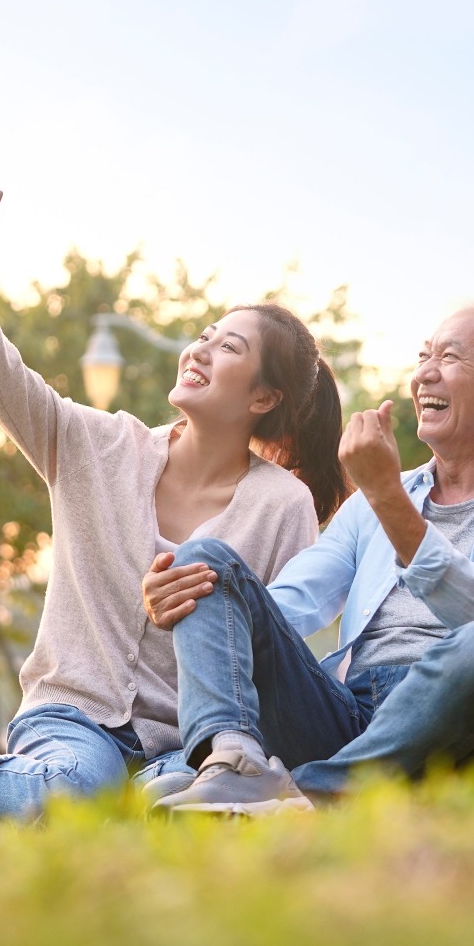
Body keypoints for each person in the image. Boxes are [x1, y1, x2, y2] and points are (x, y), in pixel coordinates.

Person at [0, 187, 350, 825]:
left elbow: (275, 650)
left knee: (174, 802)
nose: (199, 350)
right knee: (70, 792)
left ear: (263, 399)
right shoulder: (93, 445)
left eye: (229, 348)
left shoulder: (282, 505)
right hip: (74, 717)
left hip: (187, 743)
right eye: (205, 336)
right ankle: (12, 783)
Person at [142, 305, 474, 814]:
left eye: (450, 358)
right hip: (347, 710)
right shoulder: (372, 503)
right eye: (423, 356)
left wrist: (387, 495)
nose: (425, 372)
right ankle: (232, 763)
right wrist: (215, 611)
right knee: (207, 561)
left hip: (447, 716)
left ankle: (309, 792)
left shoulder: (382, 494)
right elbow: (289, 605)